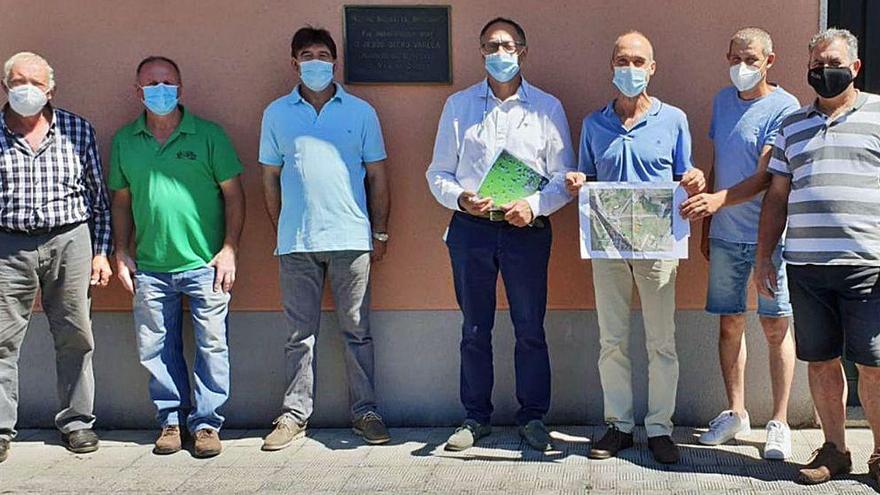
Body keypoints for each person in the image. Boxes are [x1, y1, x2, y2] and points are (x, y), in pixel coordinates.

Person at [426, 17, 575, 452]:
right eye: (490, 46)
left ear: (523, 51)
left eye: (506, 45)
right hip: (471, 230)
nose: (499, 54)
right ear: (481, 53)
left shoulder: (547, 107)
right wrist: (460, 199)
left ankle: (533, 418)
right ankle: (475, 418)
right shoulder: (459, 106)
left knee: (530, 327)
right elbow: (438, 173)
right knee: (474, 328)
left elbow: (563, 176)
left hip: (526, 232)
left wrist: (533, 206)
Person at [565, 31, 705, 464]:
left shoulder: (674, 119)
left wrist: (696, 178)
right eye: (622, 61)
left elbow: (687, 173)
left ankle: (660, 428)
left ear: (652, 68)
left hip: (658, 245)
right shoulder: (594, 124)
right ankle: (619, 425)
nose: (630, 69)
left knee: (661, 340)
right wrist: (576, 181)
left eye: (638, 61)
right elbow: (586, 177)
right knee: (612, 340)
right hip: (607, 246)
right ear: (612, 66)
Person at [756, 28, 880, 486]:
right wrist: (763, 257)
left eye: (831, 62)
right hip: (806, 267)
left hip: (868, 267)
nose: (822, 72)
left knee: (873, 364)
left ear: (855, 67)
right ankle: (836, 449)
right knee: (822, 360)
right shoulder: (792, 125)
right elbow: (776, 197)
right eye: (814, 65)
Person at [260, 26, 392, 450]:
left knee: (357, 329)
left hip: (352, 238)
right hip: (296, 242)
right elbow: (269, 177)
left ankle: (365, 411)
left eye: (322, 54)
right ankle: (294, 414)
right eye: (306, 54)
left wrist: (381, 230)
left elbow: (378, 176)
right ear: (293, 62)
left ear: (334, 61)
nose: (315, 61)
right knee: (299, 334)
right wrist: (282, 226)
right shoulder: (276, 113)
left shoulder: (360, 112)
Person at [110, 56, 245, 458]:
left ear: (180, 88)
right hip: (150, 266)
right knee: (155, 347)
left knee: (212, 345)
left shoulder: (209, 136)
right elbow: (120, 201)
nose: (160, 90)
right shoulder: (124, 141)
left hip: (206, 264)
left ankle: (206, 424)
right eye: (152, 84)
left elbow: (235, 196)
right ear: (138, 91)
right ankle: (169, 421)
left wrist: (229, 249)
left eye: (168, 82)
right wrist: (120, 251)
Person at [679, 27, 800, 459]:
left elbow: (767, 176)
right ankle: (735, 412)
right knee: (729, 322)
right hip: (726, 236)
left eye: (750, 60)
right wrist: (709, 225)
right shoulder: (721, 101)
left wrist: (716, 202)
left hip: (768, 238)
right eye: (735, 59)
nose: (742, 68)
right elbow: (718, 161)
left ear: (770, 60)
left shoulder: (784, 106)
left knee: (775, 324)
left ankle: (780, 421)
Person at [0, 52, 112, 461]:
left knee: (75, 336)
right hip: (7, 245)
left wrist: (101, 252)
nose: (25, 89)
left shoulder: (77, 130)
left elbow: (98, 201)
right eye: (16, 81)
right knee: (1, 341)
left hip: (69, 241)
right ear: (4, 88)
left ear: (50, 89)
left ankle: (77, 422)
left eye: (33, 81)